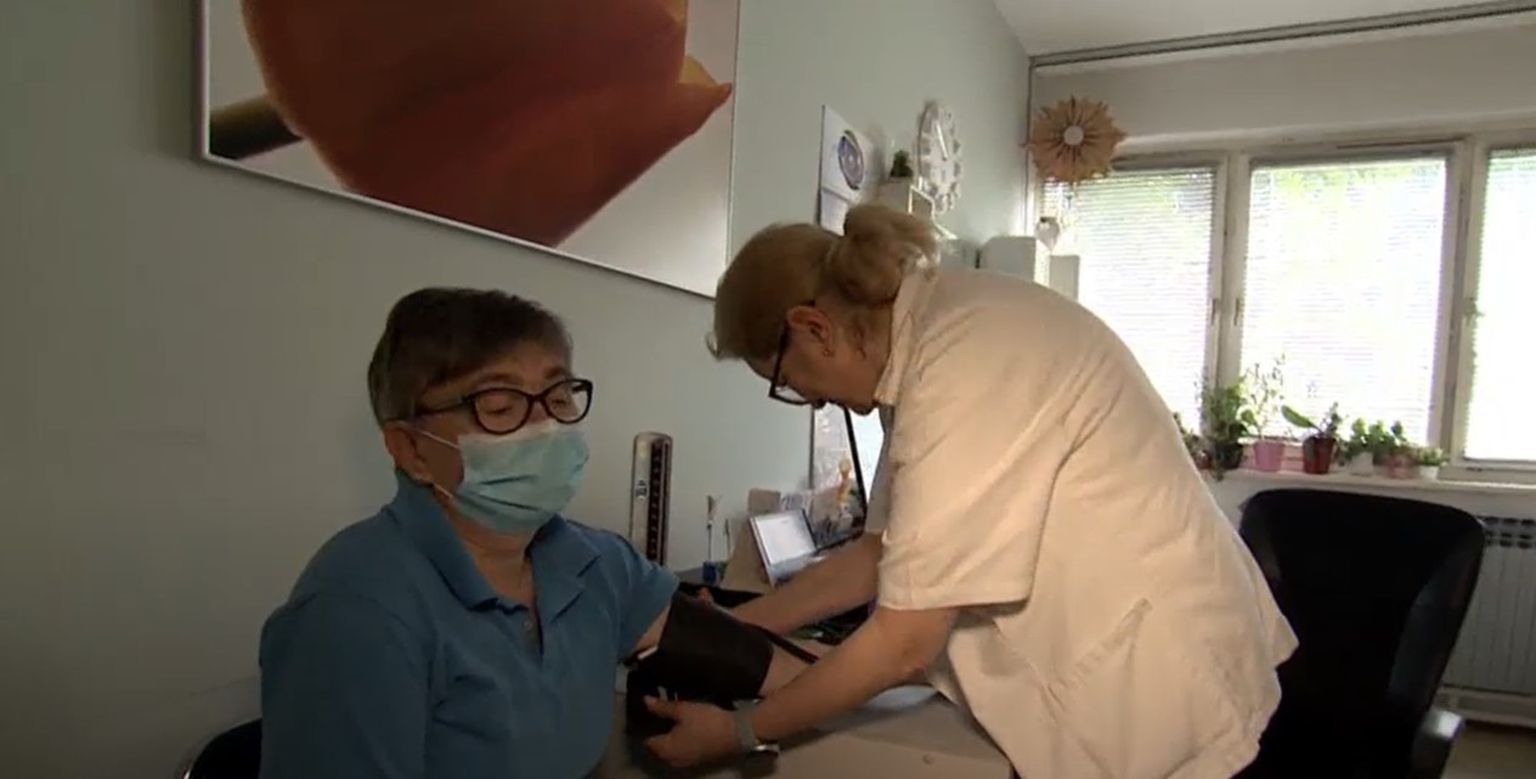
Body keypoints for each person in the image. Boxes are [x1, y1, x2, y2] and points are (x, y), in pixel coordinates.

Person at [643, 206, 1298, 778]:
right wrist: (736, 626)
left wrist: (739, 732)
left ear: (814, 328)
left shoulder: (963, 359)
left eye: (786, 381)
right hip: (1133, 660)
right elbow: (878, 555)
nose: (809, 399)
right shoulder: (928, 344)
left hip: (1166, 680)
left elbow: (905, 643)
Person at [259, 288, 803, 778]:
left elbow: (758, 664)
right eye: (500, 407)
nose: (546, 427)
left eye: (559, 397)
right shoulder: (356, 612)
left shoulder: (593, 563)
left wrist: (838, 682)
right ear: (411, 450)